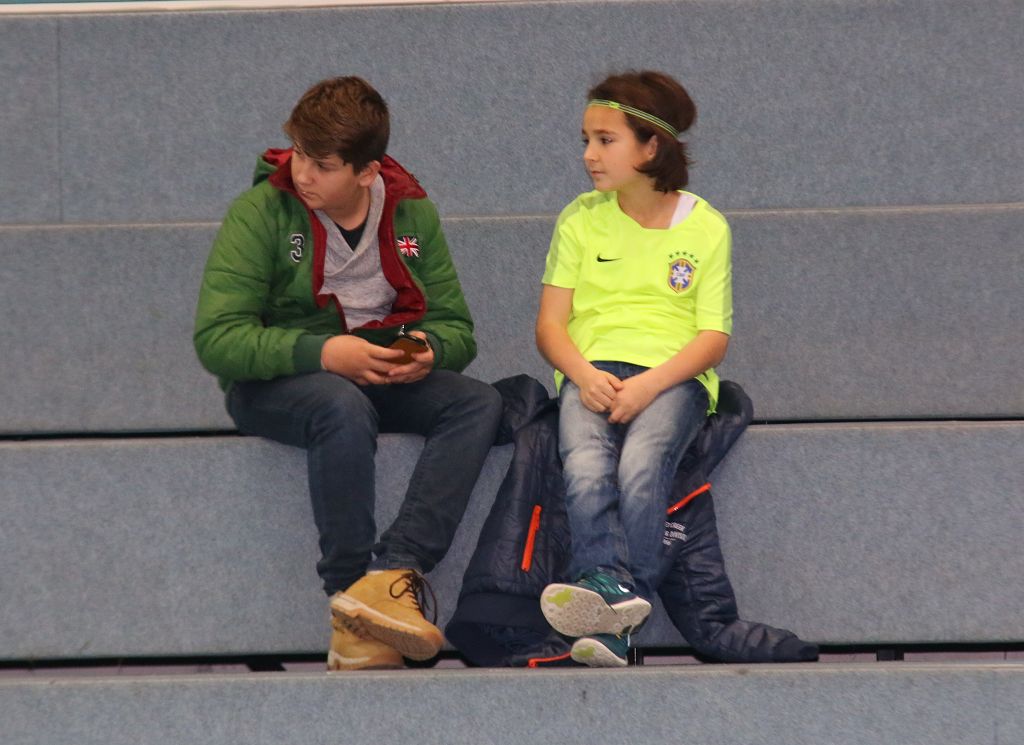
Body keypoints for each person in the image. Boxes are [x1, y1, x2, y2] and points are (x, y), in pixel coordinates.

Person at [194, 76, 503, 671]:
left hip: (376, 374)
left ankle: (391, 576)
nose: (303, 174)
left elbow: (456, 328)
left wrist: (427, 350)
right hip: (280, 384)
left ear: (367, 172)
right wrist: (325, 354)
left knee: (478, 403)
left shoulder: (412, 211)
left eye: (323, 165)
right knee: (340, 403)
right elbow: (219, 340)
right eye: (299, 154)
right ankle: (348, 590)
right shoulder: (260, 211)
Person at [535, 70, 733, 666]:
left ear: (651, 147)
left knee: (642, 463)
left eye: (606, 140)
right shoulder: (579, 218)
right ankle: (608, 592)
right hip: (590, 369)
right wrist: (583, 375)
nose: (589, 155)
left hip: (672, 378)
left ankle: (618, 594)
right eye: (586, 140)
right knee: (586, 462)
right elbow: (550, 327)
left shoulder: (706, 226)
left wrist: (649, 384)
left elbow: (713, 338)